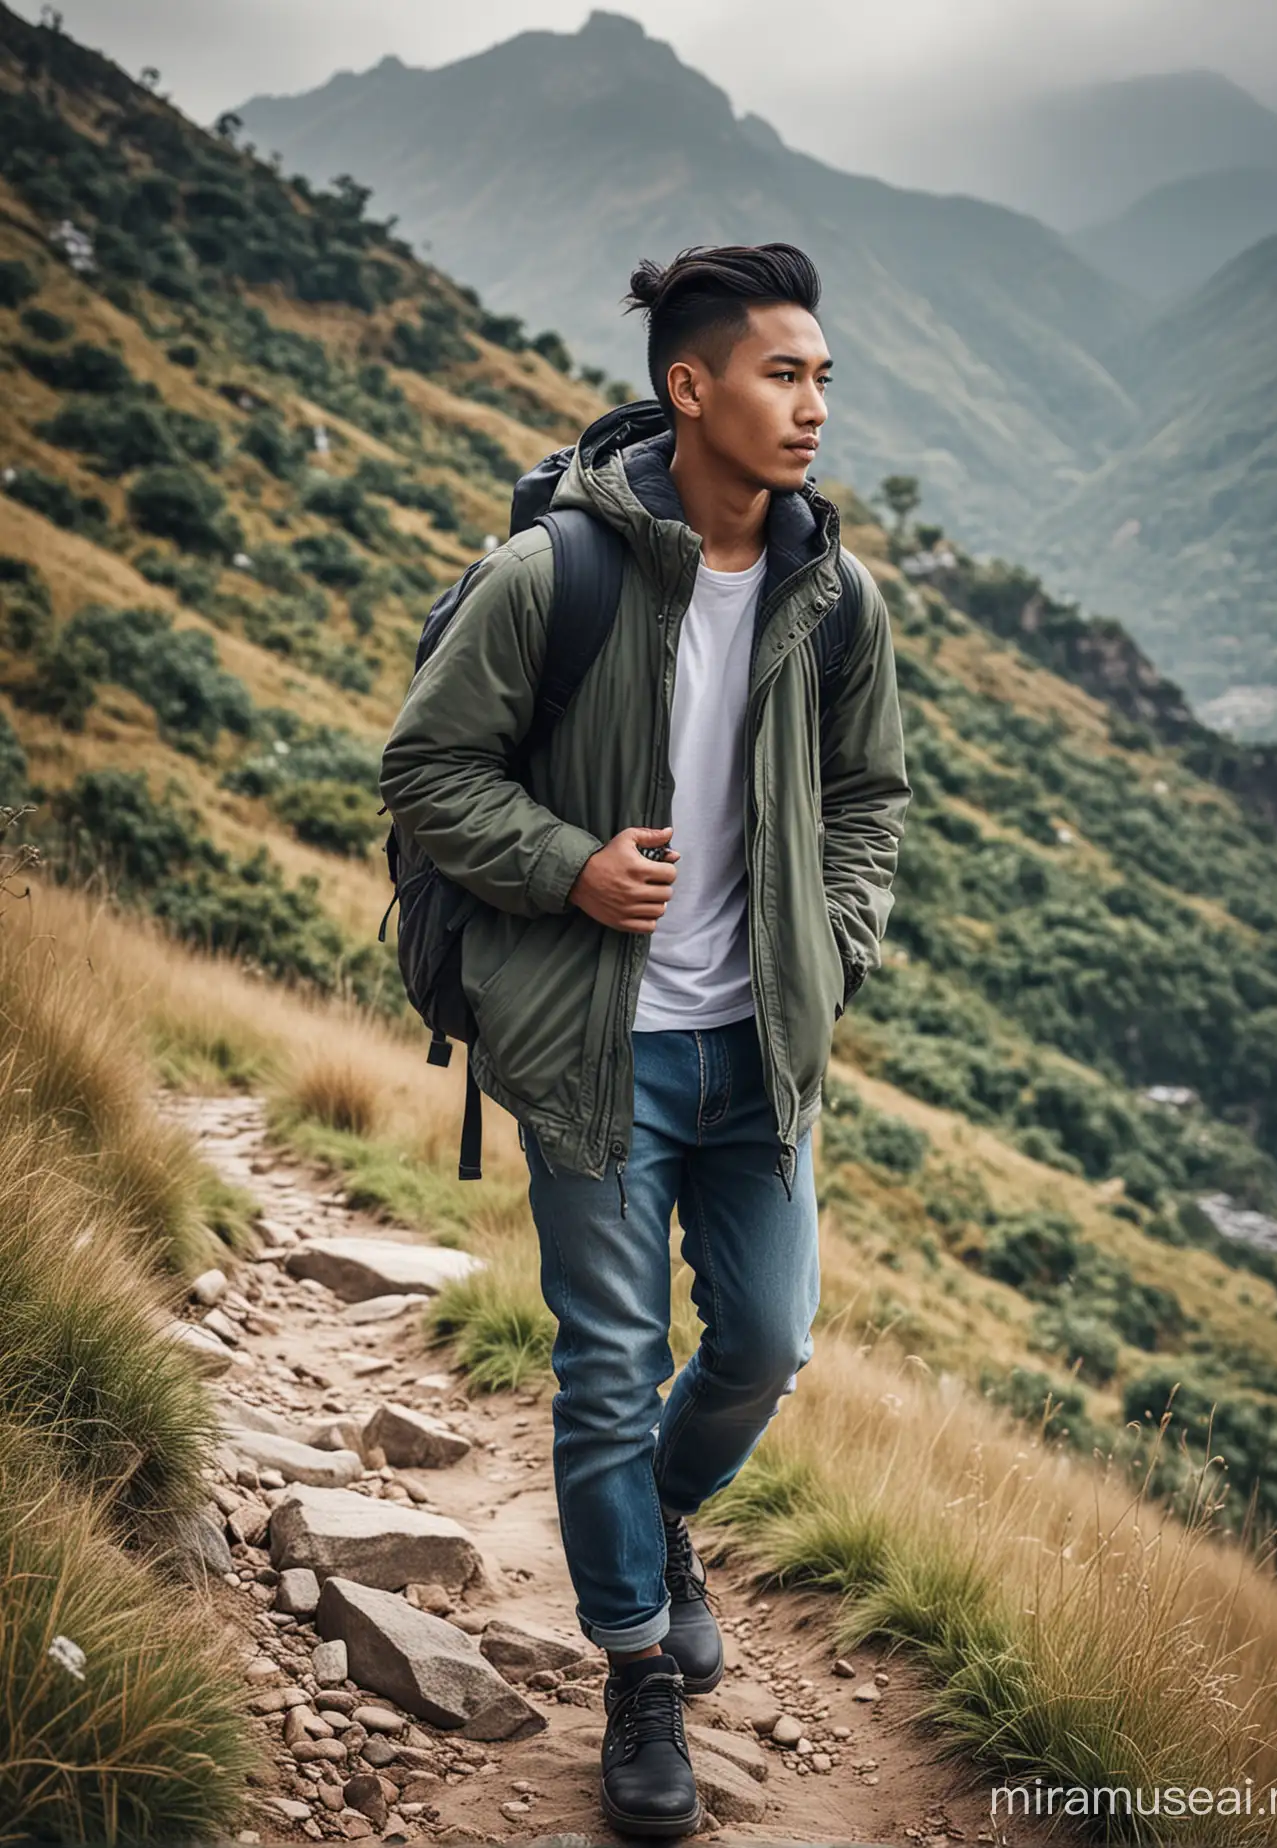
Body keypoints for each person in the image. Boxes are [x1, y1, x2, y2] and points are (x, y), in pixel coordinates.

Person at [379, 242, 910, 1837]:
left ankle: (659, 1525)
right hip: (594, 1049)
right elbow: (427, 770)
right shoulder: (558, 577)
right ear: (691, 387)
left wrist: (836, 948)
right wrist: (571, 867)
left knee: (764, 1343)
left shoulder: (836, 593)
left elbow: (869, 801)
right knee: (608, 1375)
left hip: (761, 1054)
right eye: (782, 374)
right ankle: (636, 1676)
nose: (815, 405)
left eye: (823, 375)